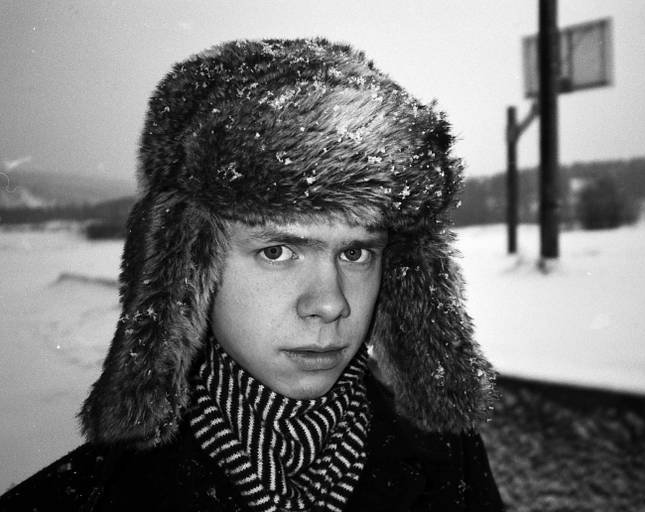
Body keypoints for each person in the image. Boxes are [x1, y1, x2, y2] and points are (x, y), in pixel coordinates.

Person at [0, 38, 502, 511]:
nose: (331, 304)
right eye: (278, 251)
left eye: (355, 253)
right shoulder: (87, 498)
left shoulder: (448, 462)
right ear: (187, 266)